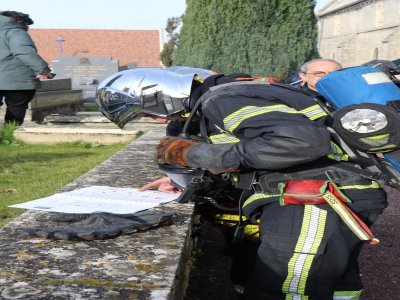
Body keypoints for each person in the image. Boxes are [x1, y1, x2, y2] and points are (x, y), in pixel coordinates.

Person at [96, 67, 387, 299]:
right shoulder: (238, 93)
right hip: (335, 195)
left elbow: (301, 143)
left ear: (158, 95)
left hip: (313, 201)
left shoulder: (222, 99)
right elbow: (259, 149)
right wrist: (191, 178)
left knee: (285, 288)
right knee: (333, 281)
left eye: (147, 112)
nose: (155, 120)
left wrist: (194, 153)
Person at [0, 11, 54, 125]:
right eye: (26, 24)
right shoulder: (15, 32)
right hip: (17, 80)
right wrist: (43, 70)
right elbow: (24, 52)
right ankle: (9, 137)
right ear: (18, 21)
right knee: (16, 108)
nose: (26, 28)